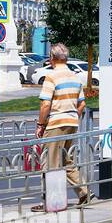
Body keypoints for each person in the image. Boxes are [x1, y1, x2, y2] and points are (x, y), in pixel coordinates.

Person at [34, 43, 94, 210]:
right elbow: (82, 104)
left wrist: (40, 124)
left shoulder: (51, 77)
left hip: (55, 124)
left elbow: (45, 104)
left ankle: (48, 201)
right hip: (71, 123)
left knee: (49, 161)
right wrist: (72, 115)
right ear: (66, 58)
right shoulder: (75, 77)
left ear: (52, 58)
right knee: (65, 159)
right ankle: (85, 192)